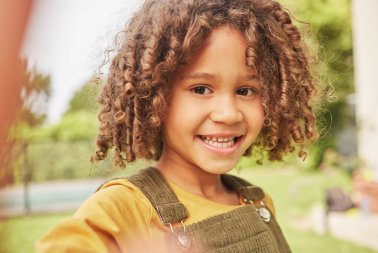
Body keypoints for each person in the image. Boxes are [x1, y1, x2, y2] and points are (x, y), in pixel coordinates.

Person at [36, 0, 317, 252]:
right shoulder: (124, 208)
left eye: (246, 91)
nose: (229, 114)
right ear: (154, 98)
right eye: (201, 89)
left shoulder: (259, 203)